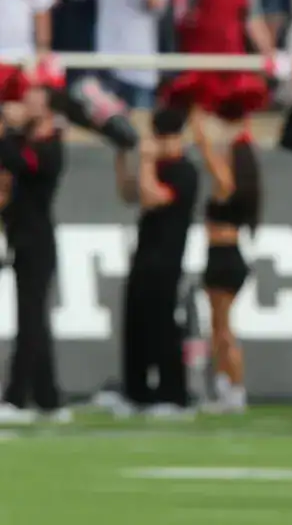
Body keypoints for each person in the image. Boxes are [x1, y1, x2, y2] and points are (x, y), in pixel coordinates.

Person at [113, 106, 199, 417]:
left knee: (164, 327)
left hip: (167, 261)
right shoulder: (159, 166)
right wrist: (122, 158)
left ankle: (172, 395)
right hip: (144, 257)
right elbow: (130, 194)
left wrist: (147, 160)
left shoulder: (185, 171)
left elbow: (153, 197)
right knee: (135, 324)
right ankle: (136, 393)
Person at [0, 85, 66, 423]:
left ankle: (16, 397)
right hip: (22, 239)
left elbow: (23, 164)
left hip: (37, 242)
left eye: (33, 101)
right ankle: (47, 397)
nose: (25, 105)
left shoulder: (50, 147)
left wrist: (5, 132)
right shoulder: (26, 144)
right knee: (35, 320)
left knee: (30, 320)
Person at [191, 108, 261, 414]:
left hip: (223, 259)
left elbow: (206, 151)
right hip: (225, 257)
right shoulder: (245, 185)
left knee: (223, 329)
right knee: (219, 327)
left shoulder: (227, 183)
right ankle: (224, 386)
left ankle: (234, 388)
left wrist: (196, 117)